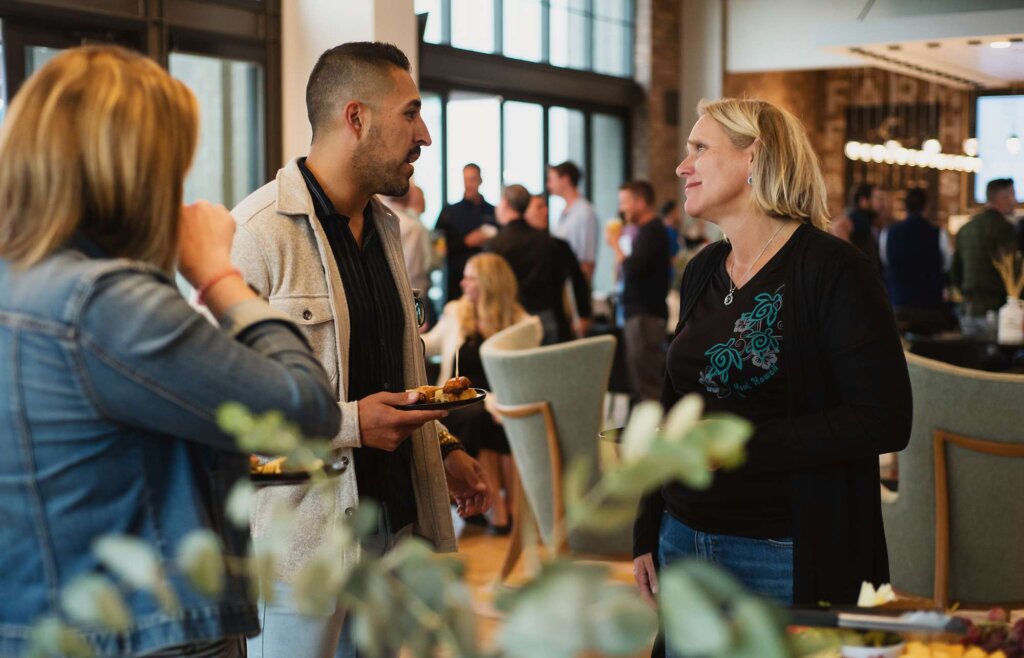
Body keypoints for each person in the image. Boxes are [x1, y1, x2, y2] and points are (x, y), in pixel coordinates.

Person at [0, 45, 341, 658]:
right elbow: (307, 409)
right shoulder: (105, 304)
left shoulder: (19, 284)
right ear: (134, 173)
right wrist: (218, 274)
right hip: (145, 634)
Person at [230, 42, 492, 658]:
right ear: (356, 118)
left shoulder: (386, 227)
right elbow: (224, 412)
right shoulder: (256, 235)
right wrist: (351, 424)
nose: (425, 134)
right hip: (302, 553)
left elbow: (392, 371)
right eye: (411, 113)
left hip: (393, 532)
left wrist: (444, 445)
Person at [632, 99, 911, 646]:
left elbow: (884, 419)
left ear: (753, 158)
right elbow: (673, 407)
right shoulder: (704, 269)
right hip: (682, 537)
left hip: (782, 549)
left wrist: (737, 445)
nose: (681, 166)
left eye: (699, 149)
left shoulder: (833, 270)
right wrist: (647, 526)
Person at [423, 253, 540, 534]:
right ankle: (499, 510)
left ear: (489, 283)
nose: (462, 282)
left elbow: (526, 372)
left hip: (499, 401)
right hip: (459, 403)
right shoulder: (456, 313)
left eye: (470, 278)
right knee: (479, 417)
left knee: (495, 419)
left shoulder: (522, 324)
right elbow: (430, 345)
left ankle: (507, 508)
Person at [486, 184, 592, 343]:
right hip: (544, 315)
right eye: (539, 207)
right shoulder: (549, 243)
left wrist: (583, 315)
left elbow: (576, 280)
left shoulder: (496, 244)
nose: (546, 212)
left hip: (521, 317)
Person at [608, 181, 670, 402]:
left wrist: (615, 245)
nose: (622, 208)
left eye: (624, 202)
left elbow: (634, 269)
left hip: (645, 315)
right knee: (641, 382)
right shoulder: (646, 231)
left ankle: (655, 433)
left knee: (647, 384)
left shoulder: (652, 231)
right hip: (641, 314)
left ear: (641, 202)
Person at [880, 187, 952, 335]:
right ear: (926, 206)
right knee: (928, 352)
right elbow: (946, 265)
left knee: (901, 352)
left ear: (905, 206)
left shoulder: (888, 233)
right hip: (930, 306)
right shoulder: (938, 234)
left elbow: (885, 262)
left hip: (899, 303)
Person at [951, 178, 1018, 335]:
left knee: (969, 357)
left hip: (967, 310)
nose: (1014, 201)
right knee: (995, 358)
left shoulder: (966, 229)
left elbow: (955, 272)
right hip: (996, 310)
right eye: (1012, 195)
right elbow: (1014, 271)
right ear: (1002, 198)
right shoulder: (1005, 229)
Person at [436, 163, 497, 302]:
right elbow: (437, 244)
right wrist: (465, 242)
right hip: (457, 280)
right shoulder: (449, 212)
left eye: (473, 179)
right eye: (466, 179)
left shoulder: (492, 211)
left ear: (480, 180)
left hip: (487, 279)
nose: (469, 184)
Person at [381, 185, 434, 326]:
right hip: (412, 294)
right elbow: (419, 267)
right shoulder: (412, 226)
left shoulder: (378, 220)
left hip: (386, 293)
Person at [547, 161, 599, 282]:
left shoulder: (584, 212)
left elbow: (587, 259)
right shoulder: (564, 211)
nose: (548, 185)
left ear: (565, 179)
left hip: (574, 282)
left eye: (551, 179)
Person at [846, 183, 885, 272]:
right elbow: (838, 226)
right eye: (877, 199)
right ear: (864, 201)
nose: (881, 204)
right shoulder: (857, 219)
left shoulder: (868, 220)